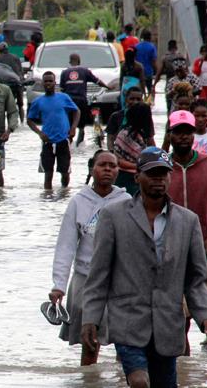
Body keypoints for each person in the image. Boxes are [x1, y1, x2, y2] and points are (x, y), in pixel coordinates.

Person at [81, 147, 207, 388]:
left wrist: (206, 314)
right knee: (139, 381)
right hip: (128, 322)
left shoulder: (188, 221)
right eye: (152, 174)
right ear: (137, 177)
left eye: (163, 174)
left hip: (168, 326)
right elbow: (99, 274)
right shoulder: (113, 216)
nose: (158, 179)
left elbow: (195, 280)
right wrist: (90, 318)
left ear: (170, 177)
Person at [50, 150, 130, 365]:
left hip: (118, 282)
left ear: (118, 171)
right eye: (102, 165)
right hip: (85, 280)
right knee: (89, 340)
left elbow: (135, 246)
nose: (107, 169)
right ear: (92, 169)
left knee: (125, 343)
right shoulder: (79, 202)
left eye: (112, 166)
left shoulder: (126, 201)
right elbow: (66, 245)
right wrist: (59, 285)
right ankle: (89, 380)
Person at [166, 110, 207, 354]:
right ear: (170, 135)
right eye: (178, 132)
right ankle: (183, 372)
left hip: (205, 254)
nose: (183, 137)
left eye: (188, 132)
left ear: (194, 134)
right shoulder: (162, 169)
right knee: (177, 323)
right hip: (170, 257)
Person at [27, 71, 80, 189]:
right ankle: (47, 201)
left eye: (51, 81)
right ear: (42, 84)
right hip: (47, 141)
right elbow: (29, 120)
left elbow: (77, 111)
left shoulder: (64, 97)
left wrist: (73, 128)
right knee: (48, 174)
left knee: (65, 173)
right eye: (46, 81)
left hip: (63, 140)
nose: (48, 83)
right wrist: (40, 133)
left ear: (55, 83)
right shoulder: (38, 101)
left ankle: (63, 195)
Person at [60, 53, 109, 146]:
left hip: (68, 102)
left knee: (69, 125)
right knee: (81, 126)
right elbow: (97, 81)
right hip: (81, 101)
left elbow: (62, 90)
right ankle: (79, 145)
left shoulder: (64, 73)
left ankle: (68, 144)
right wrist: (108, 87)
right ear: (79, 61)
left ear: (70, 62)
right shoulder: (85, 71)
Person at [111, 102, 154, 196]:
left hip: (141, 177)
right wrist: (140, 166)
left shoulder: (145, 136)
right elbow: (118, 161)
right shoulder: (125, 135)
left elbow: (155, 155)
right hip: (125, 177)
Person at [0, 42, 26, 123]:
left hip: (2, 86)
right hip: (16, 84)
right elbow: (20, 72)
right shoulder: (15, 57)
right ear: (7, 49)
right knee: (20, 106)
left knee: (1, 106)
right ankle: (22, 122)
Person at [134, 29, 159, 98]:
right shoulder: (152, 47)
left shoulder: (136, 46)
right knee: (149, 90)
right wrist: (157, 72)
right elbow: (153, 61)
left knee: (139, 91)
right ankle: (149, 103)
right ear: (150, 37)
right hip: (148, 72)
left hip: (138, 73)